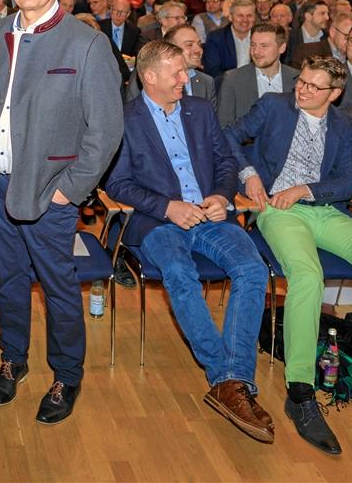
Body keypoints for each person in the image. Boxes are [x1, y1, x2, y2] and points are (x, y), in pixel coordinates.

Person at [224, 55, 352, 455]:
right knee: (308, 277)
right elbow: (226, 136)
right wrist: (250, 174)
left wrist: (307, 189)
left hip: (323, 209)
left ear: (334, 93)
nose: (302, 90)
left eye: (313, 86)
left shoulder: (343, 124)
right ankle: (300, 389)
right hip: (278, 210)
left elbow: (351, 179)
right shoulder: (275, 106)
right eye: (302, 82)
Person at [0, 0, 123, 425]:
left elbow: (106, 132)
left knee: (58, 287)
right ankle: (13, 359)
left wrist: (68, 191)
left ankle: (66, 375)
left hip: (50, 193)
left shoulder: (87, 43)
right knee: (8, 283)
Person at [105, 41, 273, 443]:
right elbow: (116, 183)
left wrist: (220, 194)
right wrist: (168, 207)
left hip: (210, 215)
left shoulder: (199, 111)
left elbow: (225, 161)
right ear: (149, 77)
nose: (187, 79)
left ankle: (228, 383)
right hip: (157, 223)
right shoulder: (124, 120)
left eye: (186, 71)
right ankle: (230, 379)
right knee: (180, 273)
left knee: (252, 269)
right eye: (177, 73)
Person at [218, 23, 299, 128]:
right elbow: (224, 126)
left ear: (282, 48)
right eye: (253, 45)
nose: (256, 52)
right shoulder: (233, 79)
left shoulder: (297, 78)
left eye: (264, 46)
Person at [203, 0, 256, 79]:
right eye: (240, 16)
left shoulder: (261, 37)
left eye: (249, 16)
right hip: (227, 86)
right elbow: (212, 71)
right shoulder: (215, 38)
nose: (245, 20)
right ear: (230, 17)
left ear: (254, 18)